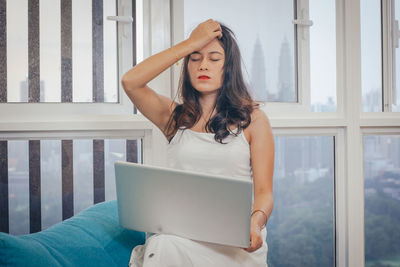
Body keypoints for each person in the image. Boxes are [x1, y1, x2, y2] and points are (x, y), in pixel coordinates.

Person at [121, 19, 274, 267]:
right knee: (163, 244)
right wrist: (190, 43)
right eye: (195, 58)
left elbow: (265, 193)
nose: (203, 65)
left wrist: (255, 223)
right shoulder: (174, 117)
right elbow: (131, 82)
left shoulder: (254, 120)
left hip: (234, 244)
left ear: (229, 68)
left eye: (214, 59)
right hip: (182, 237)